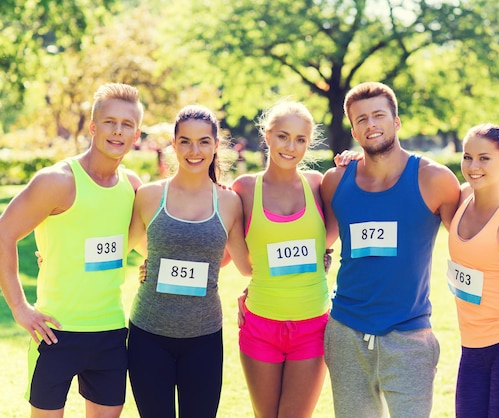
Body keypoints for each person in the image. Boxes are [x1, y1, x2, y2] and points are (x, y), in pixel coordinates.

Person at [0, 83, 143, 417]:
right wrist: (20, 308)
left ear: (136, 134)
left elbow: (153, 244)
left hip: (110, 333)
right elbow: (4, 233)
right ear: (93, 127)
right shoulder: (58, 181)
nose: (117, 130)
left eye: (127, 124)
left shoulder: (133, 187)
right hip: (56, 332)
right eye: (109, 121)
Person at [320, 81, 461, 418]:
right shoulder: (335, 182)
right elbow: (319, 244)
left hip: (410, 335)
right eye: (361, 119)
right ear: (353, 130)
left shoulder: (434, 180)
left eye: (379, 115)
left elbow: (468, 243)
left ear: (396, 121)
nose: (371, 125)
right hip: (346, 333)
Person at [126, 105, 251, 417]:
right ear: (173, 143)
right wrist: (57, 251)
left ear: (215, 145)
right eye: (185, 141)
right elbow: (124, 246)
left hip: (204, 339)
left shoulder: (229, 202)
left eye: (203, 142)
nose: (194, 151)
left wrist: (319, 252)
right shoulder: (150, 195)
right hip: (148, 335)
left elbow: (245, 265)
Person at [232, 100, 334, 418]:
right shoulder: (244, 189)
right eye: (283, 136)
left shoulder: (319, 186)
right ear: (267, 135)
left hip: (312, 327)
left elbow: (331, 239)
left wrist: (349, 160)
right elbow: (245, 264)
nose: (291, 147)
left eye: (300, 140)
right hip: (260, 324)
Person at [448, 124, 499, 418]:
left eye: (484, 158)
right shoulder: (458, 199)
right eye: (467, 157)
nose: (473, 166)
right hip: (469, 346)